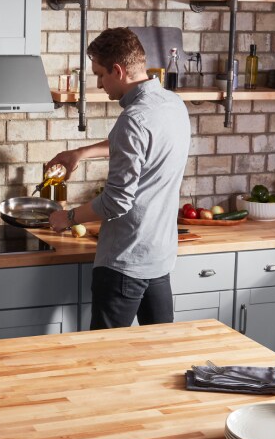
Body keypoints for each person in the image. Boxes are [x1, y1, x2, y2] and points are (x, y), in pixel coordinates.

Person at [47, 28, 191, 329]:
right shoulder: (172, 104)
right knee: (161, 352)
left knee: (105, 360)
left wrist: (69, 217)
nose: (99, 84)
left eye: (100, 75)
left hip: (125, 262)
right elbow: (140, 147)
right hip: (159, 258)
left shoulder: (133, 119)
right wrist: (80, 153)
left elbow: (116, 201)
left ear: (118, 70)